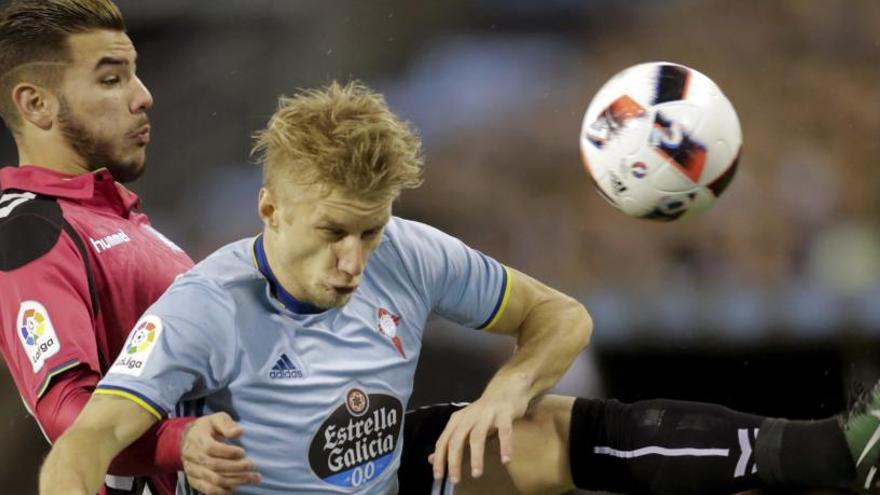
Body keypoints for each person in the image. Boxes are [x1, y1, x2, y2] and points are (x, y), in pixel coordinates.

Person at [37, 80, 880, 495]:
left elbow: (561, 316)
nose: (354, 261)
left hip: (376, 470)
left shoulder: (409, 249)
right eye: (334, 232)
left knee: (531, 427)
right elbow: (79, 449)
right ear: (269, 209)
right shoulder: (202, 308)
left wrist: (505, 387)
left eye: (370, 229)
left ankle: (833, 452)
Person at [0, 1, 259, 493]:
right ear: (36, 104)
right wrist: (180, 442)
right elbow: (67, 413)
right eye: (111, 79)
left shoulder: (120, 221)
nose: (144, 97)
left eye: (135, 74)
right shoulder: (32, 231)